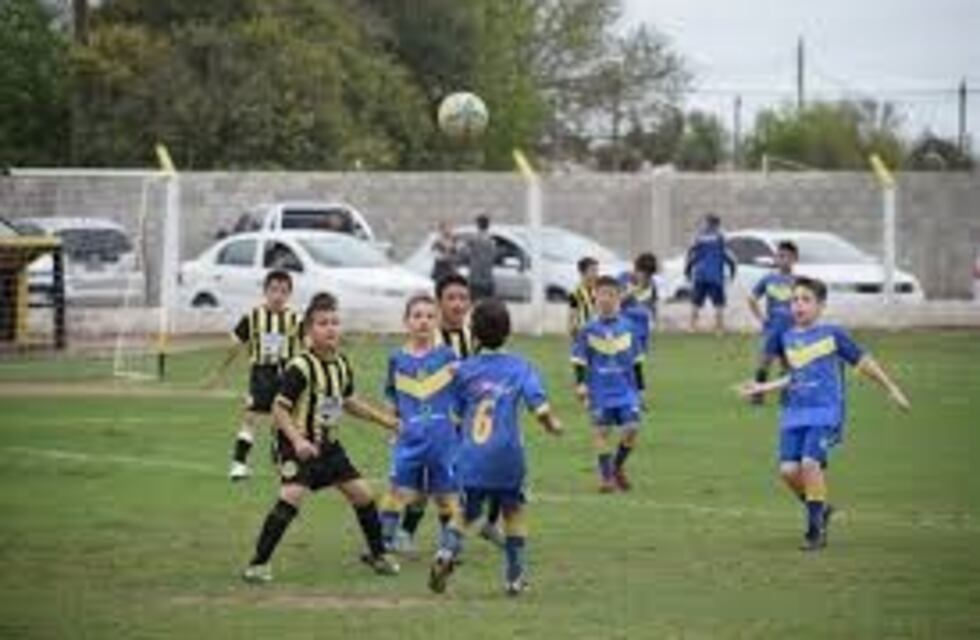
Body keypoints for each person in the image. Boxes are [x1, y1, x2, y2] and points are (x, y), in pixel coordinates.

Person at [737, 277, 910, 551]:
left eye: (806, 300)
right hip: (794, 412)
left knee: (809, 464)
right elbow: (795, 377)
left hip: (826, 412)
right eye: (794, 299)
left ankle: (815, 531)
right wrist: (762, 386)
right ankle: (821, 509)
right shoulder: (788, 337)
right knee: (788, 471)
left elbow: (864, 361)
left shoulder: (833, 334)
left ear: (821, 306)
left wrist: (891, 388)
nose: (798, 305)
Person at [241, 293, 401, 583]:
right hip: (295, 444)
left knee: (363, 494)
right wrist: (298, 441)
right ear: (308, 332)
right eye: (322, 323)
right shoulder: (299, 367)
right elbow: (278, 409)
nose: (330, 328)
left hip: (328, 446)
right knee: (292, 495)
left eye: (335, 322)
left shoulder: (341, 364)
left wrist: (388, 422)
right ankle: (257, 563)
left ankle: (378, 555)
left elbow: (349, 402)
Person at [428, 299, 562, 596]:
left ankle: (446, 552)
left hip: (472, 455)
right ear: (508, 332)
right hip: (508, 457)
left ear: (473, 334)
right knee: (513, 512)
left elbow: (456, 416)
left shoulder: (463, 370)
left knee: (466, 512)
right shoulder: (521, 367)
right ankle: (514, 579)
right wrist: (552, 424)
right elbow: (538, 406)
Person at [394, 274, 505, 552]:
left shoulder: (474, 336)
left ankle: (484, 523)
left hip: (469, 419)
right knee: (430, 482)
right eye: (451, 298)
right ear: (439, 303)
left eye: (463, 298)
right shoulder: (427, 337)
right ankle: (410, 533)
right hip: (434, 420)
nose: (457, 305)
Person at [379, 295, 462, 555]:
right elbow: (392, 395)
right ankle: (384, 541)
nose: (423, 322)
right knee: (397, 489)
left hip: (442, 439)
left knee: (445, 495)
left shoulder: (448, 356)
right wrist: (392, 425)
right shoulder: (397, 359)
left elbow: (462, 393)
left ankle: (450, 547)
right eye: (417, 316)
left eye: (429, 316)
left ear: (437, 321)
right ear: (406, 322)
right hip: (409, 437)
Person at [204, 270, 302, 481]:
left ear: (289, 294)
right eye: (273, 290)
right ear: (265, 291)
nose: (278, 296)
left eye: (283, 291)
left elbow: (308, 345)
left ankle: (283, 465)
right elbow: (235, 345)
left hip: (287, 374)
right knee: (251, 418)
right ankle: (239, 465)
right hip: (262, 373)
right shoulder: (253, 316)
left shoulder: (295, 318)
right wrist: (219, 372)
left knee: (284, 421)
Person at [572, 276, 646, 493]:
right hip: (600, 390)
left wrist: (641, 389)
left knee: (632, 428)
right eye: (602, 294)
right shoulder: (588, 330)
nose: (606, 299)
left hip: (626, 389)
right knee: (601, 432)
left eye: (611, 295)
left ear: (618, 298)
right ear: (595, 298)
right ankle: (606, 479)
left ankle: (616, 466)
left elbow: (638, 361)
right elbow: (579, 360)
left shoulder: (629, 327)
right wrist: (581, 384)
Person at [746, 241, 798, 404]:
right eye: (780, 256)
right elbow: (752, 298)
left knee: (788, 363)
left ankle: (786, 395)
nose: (783, 260)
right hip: (773, 329)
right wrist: (762, 318)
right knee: (765, 361)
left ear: (795, 259)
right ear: (776, 258)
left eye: (787, 257)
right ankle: (757, 394)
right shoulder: (769, 279)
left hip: (791, 329)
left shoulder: (798, 282)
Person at [685, 214, 736, 333]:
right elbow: (726, 256)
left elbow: (693, 255)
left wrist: (687, 270)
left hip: (700, 275)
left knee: (696, 302)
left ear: (708, 223)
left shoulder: (699, 238)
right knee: (719, 303)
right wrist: (732, 270)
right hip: (715, 276)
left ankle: (692, 326)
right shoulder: (719, 237)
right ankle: (719, 327)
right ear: (717, 224)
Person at [466, 214, 496, 301]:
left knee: (475, 304)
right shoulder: (492, 241)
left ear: (478, 225)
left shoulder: (473, 239)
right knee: (487, 304)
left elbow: (464, 253)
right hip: (488, 278)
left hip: (476, 279)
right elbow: (493, 257)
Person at [568, 257, 599, 338]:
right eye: (593, 270)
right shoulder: (575, 292)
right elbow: (573, 313)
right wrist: (573, 330)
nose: (596, 273)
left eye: (597, 270)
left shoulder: (600, 289)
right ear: (583, 272)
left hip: (599, 333)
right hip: (584, 334)